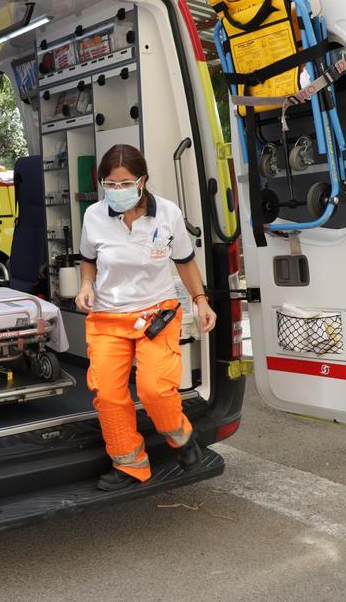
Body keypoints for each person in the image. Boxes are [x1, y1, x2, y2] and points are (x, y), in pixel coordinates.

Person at [76, 145, 217, 491]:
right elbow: (87, 259)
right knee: (108, 394)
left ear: (142, 181)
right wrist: (85, 285)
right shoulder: (94, 216)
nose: (117, 191)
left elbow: (184, 261)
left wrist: (201, 300)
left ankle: (182, 436)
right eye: (110, 184)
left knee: (154, 389)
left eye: (125, 184)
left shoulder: (167, 214)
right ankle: (130, 464)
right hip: (108, 318)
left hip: (156, 316)